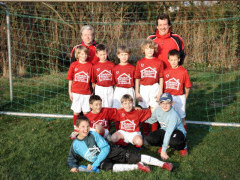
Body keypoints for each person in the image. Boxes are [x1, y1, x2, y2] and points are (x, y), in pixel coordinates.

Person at [67, 116, 173, 173]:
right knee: (107, 167)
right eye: (82, 127)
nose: (86, 129)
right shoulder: (75, 145)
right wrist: (73, 167)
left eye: (87, 126)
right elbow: (71, 159)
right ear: (77, 128)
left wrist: (95, 164)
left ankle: (163, 164)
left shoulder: (94, 134)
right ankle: (137, 167)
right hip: (102, 161)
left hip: (110, 151)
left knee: (133, 157)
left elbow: (105, 148)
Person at [144, 93, 188, 160]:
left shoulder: (173, 115)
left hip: (177, 131)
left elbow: (169, 132)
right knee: (150, 138)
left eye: (167, 103)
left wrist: (163, 151)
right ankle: (166, 145)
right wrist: (140, 120)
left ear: (172, 103)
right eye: (162, 103)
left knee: (174, 142)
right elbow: (152, 120)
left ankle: (183, 146)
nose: (165, 105)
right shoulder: (158, 110)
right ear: (159, 103)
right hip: (164, 129)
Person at [134, 39, 164, 135]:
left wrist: (160, 92)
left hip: (154, 87)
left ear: (154, 50)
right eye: (147, 49)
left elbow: (161, 78)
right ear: (143, 50)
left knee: (154, 110)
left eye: (151, 48)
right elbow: (137, 78)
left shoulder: (158, 62)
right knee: (144, 111)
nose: (150, 50)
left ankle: (154, 133)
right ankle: (146, 132)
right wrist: (137, 92)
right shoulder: (140, 62)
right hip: (143, 88)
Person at [66, 46, 93, 140]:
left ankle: (87, 129)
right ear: (77, 55)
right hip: (76, 92)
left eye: (85, 54)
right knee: (76, 112)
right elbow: (70, 79)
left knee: (86, 112)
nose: (84, 55)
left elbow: (92, 81)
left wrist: (91, 92)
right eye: (81, 54)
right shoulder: (74, 65)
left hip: (86, 93)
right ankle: (76, 129)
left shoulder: (90, 65)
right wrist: (70, 92)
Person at [163, 49, 191, 131]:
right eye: (171, 60)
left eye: (175, 60)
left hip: (179, 97)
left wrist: (185, 97)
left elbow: (187, 86)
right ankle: (168, 135)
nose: (173, 62)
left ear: (179, 59)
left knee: (181, 118)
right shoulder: (165, 71)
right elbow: (162, 86)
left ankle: (183, 135)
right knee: (168, 117)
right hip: (169, 98)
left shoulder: (183, 71)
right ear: (168, 60)